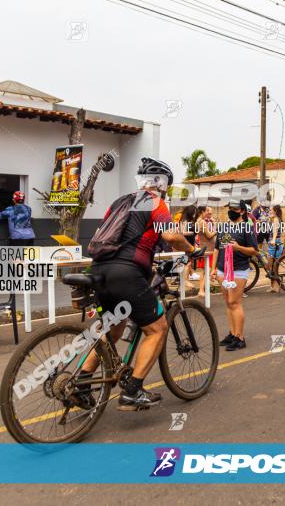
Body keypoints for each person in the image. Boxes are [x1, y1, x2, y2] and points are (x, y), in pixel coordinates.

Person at [79, 157, 199, 410]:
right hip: (127, 273)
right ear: (162, 183)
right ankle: (132, 390)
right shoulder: (155, 202)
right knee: (156, 329)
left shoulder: (119, 202)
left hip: (99, 270)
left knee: (112, 329)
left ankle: (82, 382)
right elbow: (170, 236)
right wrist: (191, 250)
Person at [216, 199, 259, 351]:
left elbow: (254, 250)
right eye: (229, 208)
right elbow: (217, 248)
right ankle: (233, 333)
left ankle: (240, 338)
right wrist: (215, 268)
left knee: (235, 302)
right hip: (222, 269)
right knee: (228, 302)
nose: (230, 211)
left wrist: (238, 247)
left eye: (233, 209)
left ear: (241, 211)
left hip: (239, 270)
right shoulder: (223, 226)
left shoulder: (246, 228)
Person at [195, 205, 217, 297]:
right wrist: (217, 229)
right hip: (208, 248)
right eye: (207, 212)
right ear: (203, 212)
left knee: (205, 270)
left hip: (205, 246)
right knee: (206, 270)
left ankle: (202, 289)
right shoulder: (202, 222)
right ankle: (201, 290)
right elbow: (209, 235)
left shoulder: (198, 221)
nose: (208, 214)